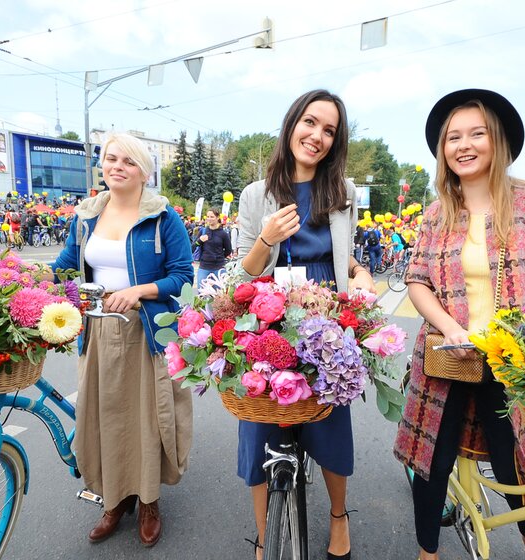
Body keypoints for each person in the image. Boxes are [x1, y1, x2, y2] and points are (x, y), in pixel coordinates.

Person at [393, 89, 525, 560]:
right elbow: (417, 283)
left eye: (476, 134)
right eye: (453, 137)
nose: (463, 145)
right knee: (431, 463)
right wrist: (448, 326)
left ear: (498, 141)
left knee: (517, 464)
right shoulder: (435, 215)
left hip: (515, 362)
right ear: (443, 150)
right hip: (447, 358)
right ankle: (429, 552)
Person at [233, 89, 376, 560]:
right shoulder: (257, 194)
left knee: (330, 420)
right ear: (292, 123)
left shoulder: (344, 194)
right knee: (259, 425)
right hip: (266, 316)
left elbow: (343, 257)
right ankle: (262, 532)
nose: (316, 136)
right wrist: (265, 239)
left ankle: (338, 516)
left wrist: (361, 273)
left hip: (325, 315)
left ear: (336, 141)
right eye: (310, 123)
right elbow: (239, 276)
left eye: (329, 130)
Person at [50, 132, 194, 548]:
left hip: (146, 331)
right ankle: (114, 500)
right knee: (106, 417)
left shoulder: (164, 218)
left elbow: (184, 276)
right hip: (97, 332)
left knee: (147, 419)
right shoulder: (87, 216)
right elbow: (64, 268)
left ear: (144, 171)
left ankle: (148, 500)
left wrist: (139, 290)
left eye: (127, 161)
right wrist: (20, 285)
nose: (117, 166)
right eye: (111, 159)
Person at [194, 207, 232, 288]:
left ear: (217, 218)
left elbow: (228, 250)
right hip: (204, 267)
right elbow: (192, 247)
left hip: (218, 268)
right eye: (208, 217)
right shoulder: (203, 231)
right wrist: (200, 241)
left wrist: (219, 256)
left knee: (219, 296)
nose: (209, 219)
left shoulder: (223, 234)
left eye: (212, 217)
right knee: (202, 295)